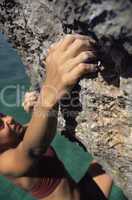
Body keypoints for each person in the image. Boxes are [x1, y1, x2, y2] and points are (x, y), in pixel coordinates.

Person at [0, 34, 113, 200]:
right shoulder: (6, 164)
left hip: (84, 192)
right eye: (0, 125)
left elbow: (34, 129)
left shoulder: (16, 137)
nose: (8, 119)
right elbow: (33, 147)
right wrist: (50, 90)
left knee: (114, 154)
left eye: (2, 116)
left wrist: (34, 111)